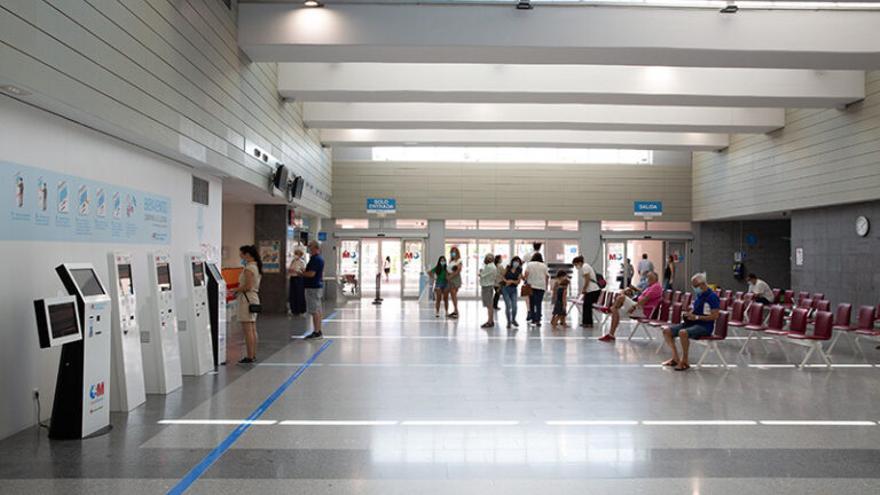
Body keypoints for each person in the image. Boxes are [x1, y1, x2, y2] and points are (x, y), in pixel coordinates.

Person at [662, 272, 721, 371]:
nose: (694, 288)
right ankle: (675, 358)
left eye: (695, 286)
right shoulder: (699, 295)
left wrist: (697, 317)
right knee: (667, 331)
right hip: (692, 323)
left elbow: (714, 316)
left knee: (683, 333)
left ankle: (684, 361)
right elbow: (696, 309)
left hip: (704, 326)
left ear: (702, 284)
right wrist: (689, 314)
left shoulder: (712, 297)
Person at [599, 271, 662, 342]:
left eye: (649, 278)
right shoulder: (651, 287)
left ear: (655, 278)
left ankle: (613, 307)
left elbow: (644, 300)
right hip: (639, 307)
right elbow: (642, 297)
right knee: (616, 312)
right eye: (647, 277)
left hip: (643, 310)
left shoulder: (656, 287)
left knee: (621, 298)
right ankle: (611, 335)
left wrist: (633, 307)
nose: (647, 279)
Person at [236, 245, 262, 363]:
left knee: (248, 329)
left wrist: (236, 290)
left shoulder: (249, 268)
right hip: (252, 298)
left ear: (247, 255)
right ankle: (253, 354)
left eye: (241, 254)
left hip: (247, 299)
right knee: (252, 328)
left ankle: (250, 356)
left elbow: (248, 286)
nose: (240, 256)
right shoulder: (255, 266)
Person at [302, 240, 325, 340]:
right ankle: (318, 330)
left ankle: (316, 332)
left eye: (310, 247)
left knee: (314, 310)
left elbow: (311, 274)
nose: (309, 249)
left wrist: (301, 273)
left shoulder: (315, 259)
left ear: (315, 248)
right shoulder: (319, 259)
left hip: (312, 287)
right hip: (316, 286)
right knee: (318, 310)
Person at [572, 255, 601, 328]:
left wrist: (584, 289)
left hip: (593, 290)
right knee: (586, 306)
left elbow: (587, 280)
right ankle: (586, 322)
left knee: (587, 306)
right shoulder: (585, 266)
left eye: (576, 265)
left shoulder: (585, 267)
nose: (576, 267)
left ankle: (588, 323)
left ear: (579, 262)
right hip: (591, 290)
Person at [524, 252, 549, 326]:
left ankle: (533, 319)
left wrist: (526, 280)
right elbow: (547, 276)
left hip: (531, 286)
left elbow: (526, 274)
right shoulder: (544, 265)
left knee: (532, 303)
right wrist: (546, 286)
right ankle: (538, 320)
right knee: (539, 303)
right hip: (541, 286)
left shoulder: (529, 264)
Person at [501, 256, 523, 328]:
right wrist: (506, 281)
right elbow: (502, 276)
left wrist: (511, 281)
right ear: (512, 262)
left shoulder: (519, 270)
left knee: (514, 307)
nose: (516, 263)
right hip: (505, 289)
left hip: (514, 289)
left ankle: (513, 319)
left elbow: (518, 281)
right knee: (508, 306)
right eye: (515, 261)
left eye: (518, 262)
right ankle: (508, 322)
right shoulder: (508, 268)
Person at [479, 253, 498, 328]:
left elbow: (481, 274)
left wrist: (480, 271)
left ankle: (490, 321)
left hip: (487, 287)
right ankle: (491, 320)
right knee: (490, 305)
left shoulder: (489, 266)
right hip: (489, 286)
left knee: (489, 305)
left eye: (488, 258)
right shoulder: (493, 266)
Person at [287, 246, 306, 316]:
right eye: (295, 253)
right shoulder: (293, 261)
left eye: (297, 254)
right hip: (293, 278)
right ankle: (293, 309)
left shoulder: (302, 262)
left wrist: (297, 271)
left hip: (299, 279)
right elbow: (289, 269)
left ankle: (300, 309)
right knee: (293, 294)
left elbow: (304, 271)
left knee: (299, 294)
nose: (296, 255)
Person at [446, 246, 463, 318]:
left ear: (457, 253)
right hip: (450, 279)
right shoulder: (450, 261)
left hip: (455, 279)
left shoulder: (459, 260)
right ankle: (455, 311)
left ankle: (456, 311)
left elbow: (458, 270)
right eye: (452, 252)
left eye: (454, 252)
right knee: (452, 296)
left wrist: (450, 277)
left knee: (454, 295)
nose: (453, 253)